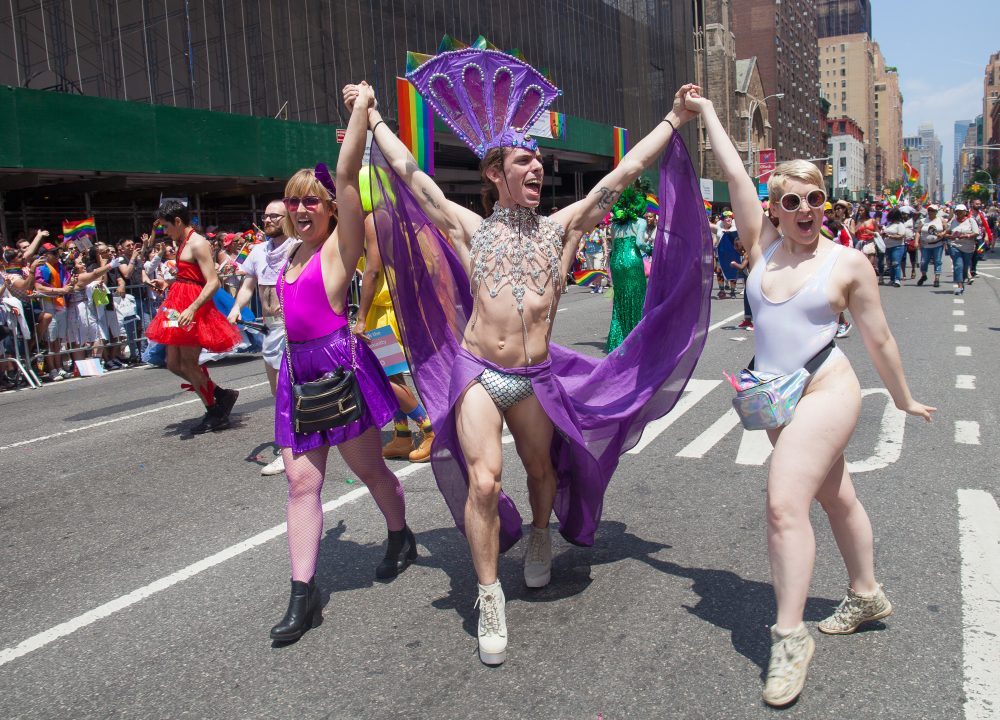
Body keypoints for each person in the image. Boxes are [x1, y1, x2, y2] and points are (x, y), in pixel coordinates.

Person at [359, 47, 712, 667]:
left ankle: (542, 535)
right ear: (495, 173)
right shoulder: (469, 226)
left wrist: (673, 120)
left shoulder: (562, 230)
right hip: (478, 371)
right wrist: (374, 116)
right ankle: (490, 593)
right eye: (525, 160)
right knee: (486, 479)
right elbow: (414, 176)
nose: (538, 170)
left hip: (534, 376)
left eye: (540, 162)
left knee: (541, 471)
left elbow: (622, 174)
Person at [690, 88, 934, 707]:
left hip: (828, 389)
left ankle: (790, 637)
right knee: (836, 494)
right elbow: (735, 172)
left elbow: (878, 341)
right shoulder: (760, 245)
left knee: (782, 502)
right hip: (777, 396)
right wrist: (710, 113)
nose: (804, 208)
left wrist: (902, 399)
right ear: (773, 210)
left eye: (815, 198)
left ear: (826, 205)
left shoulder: (848, 264)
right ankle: (866, 592)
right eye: (791, 200)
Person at [268, 85, 415, 644]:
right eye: (294, 201)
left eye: (313, 201)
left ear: (331, 210)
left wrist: (360, 109)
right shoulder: (287, 255)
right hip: (297, 375)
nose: (301, 209)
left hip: (338, 371)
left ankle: (400, 535)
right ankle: (303, 597)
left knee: (370, 470)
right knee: (301, 482)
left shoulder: (338, 247)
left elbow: (349, 172)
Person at [145, 200, 242, 433]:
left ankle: (214, 410)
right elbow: (190, 277)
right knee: (173, 363)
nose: (165, 232)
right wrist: (167, 283)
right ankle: (221, 395)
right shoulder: (181, 242)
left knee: (188, 364)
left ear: (178, 221)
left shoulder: (198, 243)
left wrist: (193, 308)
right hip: (178, 304)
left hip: (193, 308)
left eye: (166, 226)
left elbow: (212, 282)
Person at [355, 210, 436, 464]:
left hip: (382, 315)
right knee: (392, 376)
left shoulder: (374, 219)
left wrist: (360, 318)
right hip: (390, 311)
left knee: (385, 378)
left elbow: (372, 271)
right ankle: (402, 434)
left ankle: (430, 429)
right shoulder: (396, 218)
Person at [228, 199, 298, 475]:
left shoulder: (296, 247)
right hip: (269, 327)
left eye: (274, 216)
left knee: (285, 391)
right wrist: (236, 308)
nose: (268, 220)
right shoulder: (258, 251)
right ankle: (297, 436)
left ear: (287, 219)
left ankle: (288, 448)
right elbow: (248, 285)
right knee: (276, 391)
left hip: (291, 328)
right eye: (265, 216)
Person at [605, 183, 650, 352]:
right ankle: (637, 341)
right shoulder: (640, 222)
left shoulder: (614, 225)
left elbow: (614, 247)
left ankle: (619, 341)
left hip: (617, 263)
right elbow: (639, 244)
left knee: (620, 301)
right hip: (632, 261)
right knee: (637, 300)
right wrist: (653, 249)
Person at [943, 203, 979, 296]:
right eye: (957, 212)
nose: (958, 213)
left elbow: (976, 233)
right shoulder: (953, 221)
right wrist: (950, 236)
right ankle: (959, 285)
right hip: (955, 246)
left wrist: (965, 235)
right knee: (958, 265)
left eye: (960, 212)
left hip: (968, 247)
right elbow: (946, 233)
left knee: (965, 267)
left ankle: (962, 281)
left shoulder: (971, 221)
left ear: (965, 212)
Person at [916, 204, 946, 287]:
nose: (930, 212)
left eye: (932, 211)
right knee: (924, 262)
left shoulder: (941, 220)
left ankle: (937, 278)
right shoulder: (923, 221)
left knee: (937, 261)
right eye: (929, 210)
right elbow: (918, 232)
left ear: (936, 212)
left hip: (937, 244)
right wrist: (916, 242)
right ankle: (924, 275)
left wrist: (942, 234)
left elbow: (946, 230)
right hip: (925, 245)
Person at [714, 210, 740, 298]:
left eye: (730, 217)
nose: (728, 219)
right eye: (726, 217)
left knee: (733, 271)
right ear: (722, 220)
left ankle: (732, 291)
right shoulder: (718, 228)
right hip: (720, 254)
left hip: (733, 254)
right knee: (719, 272)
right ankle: (722, 290)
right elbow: (714, 238)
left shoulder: (737, 228)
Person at [880, 208, 908, 288]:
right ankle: (892, 279)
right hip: (888, 246)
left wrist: (890, 236)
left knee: (896, 263)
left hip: (898, 246)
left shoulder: (900, 225)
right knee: (890, 264)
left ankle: (897, 279)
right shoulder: (889, 225)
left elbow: (901, 236)